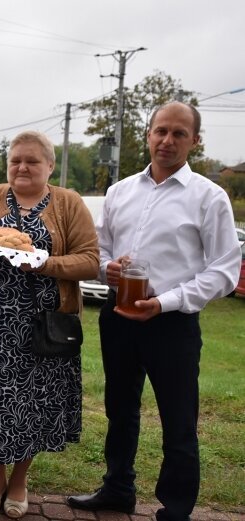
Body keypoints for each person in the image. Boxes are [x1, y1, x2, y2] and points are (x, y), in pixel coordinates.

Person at [67, 102, 241, 521]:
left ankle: (176, 509)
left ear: (195, 141)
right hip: (119, 317)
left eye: (179, 133)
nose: (168, 140)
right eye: (161, 131)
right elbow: (102, 246)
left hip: (172, 324)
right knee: (119, 409)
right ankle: (118, 488)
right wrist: (107, 266)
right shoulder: (120, 191)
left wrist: (164, 302)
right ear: (148, 134)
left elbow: (225, 271)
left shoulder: (209, 197)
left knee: (178, 420)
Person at [0, 130, 99, 518]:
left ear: (49, 166)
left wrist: (45, 263)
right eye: (15, 159)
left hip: (44, 328)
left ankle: (19, 481)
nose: (22, 166)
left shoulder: (68, 203)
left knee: (34, 406)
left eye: (32, 161)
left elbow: (90, 259)